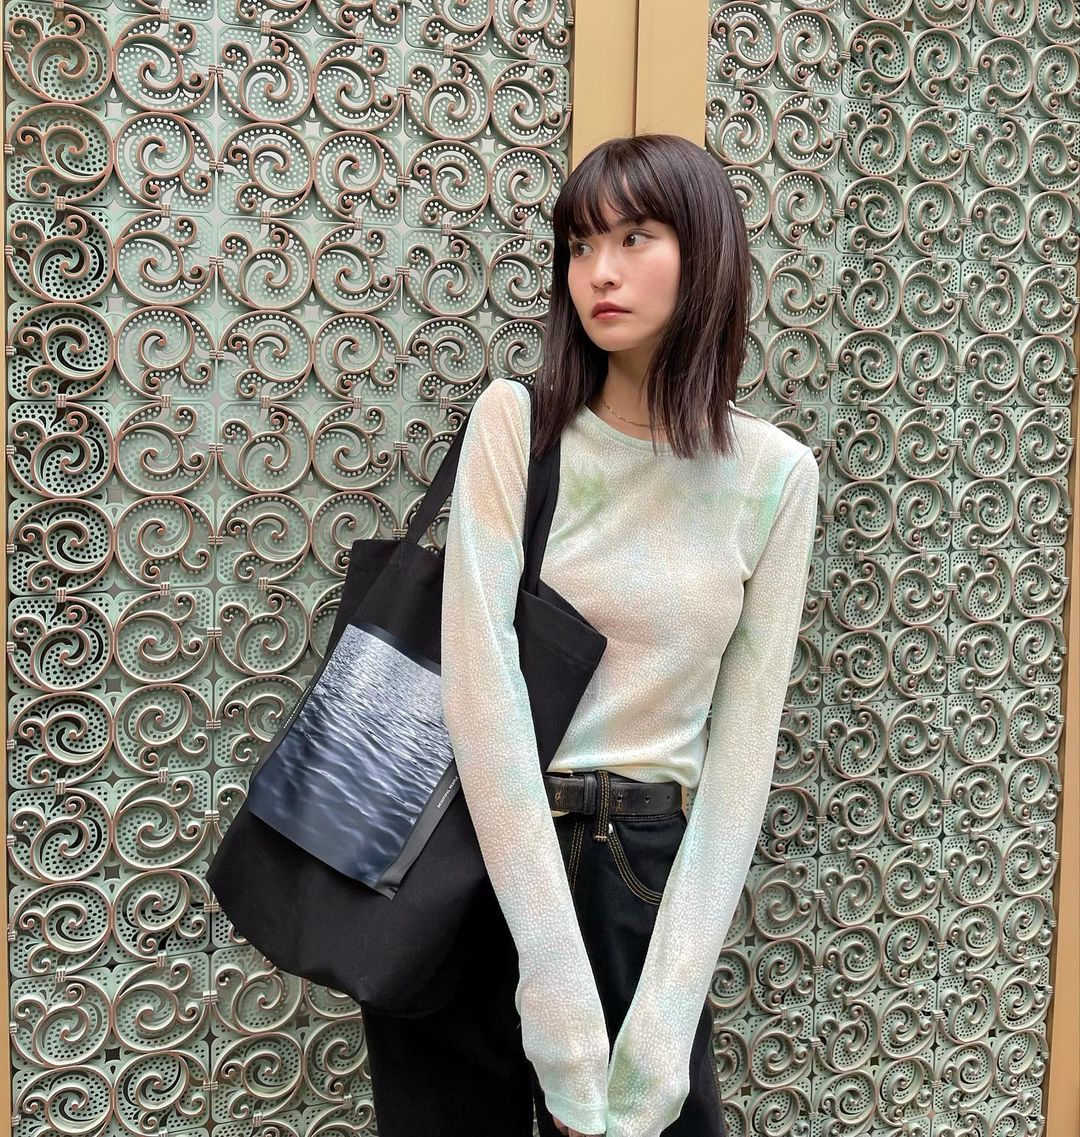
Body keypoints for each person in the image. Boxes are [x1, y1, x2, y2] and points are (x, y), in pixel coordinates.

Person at [360, 133, 820, 1137]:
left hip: (639, 877)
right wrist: (554, 980)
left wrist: (665, 1015)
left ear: (705, 253)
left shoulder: (774, 476)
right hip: (470, 867)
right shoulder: (517, 425)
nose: (599, 272)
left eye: (634, 237)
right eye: (579, 244)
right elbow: (480, 688)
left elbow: (741, 761)